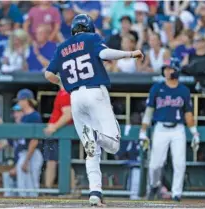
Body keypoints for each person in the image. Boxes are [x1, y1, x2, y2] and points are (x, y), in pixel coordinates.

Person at [44, 14, 143, 206]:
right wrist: (130, 54)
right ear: (89, 28)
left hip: (75, 98)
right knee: (113, 144)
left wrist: (62, 83)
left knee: (91, 151)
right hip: (95, 91)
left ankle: (95, 193)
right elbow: (104, 54)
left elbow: (48, 74)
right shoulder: (91, 39)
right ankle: (96, 137)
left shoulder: (62, 47)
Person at [139, 58, 200, 202]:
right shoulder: (157, 88)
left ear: (176, 70)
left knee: (179, 163)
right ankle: (154, 185)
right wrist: (143, 131)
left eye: (170, 68)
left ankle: (176, 193)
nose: (167, 71)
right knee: (155, 165)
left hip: (178, 129)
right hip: (160, 128)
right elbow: (149, 111)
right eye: (165, 69)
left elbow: (188, 114)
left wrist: (194, 133)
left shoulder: (183, 90)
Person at [43, 85, 76, 193]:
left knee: (64, 162)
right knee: (51, 162)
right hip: (55, 134)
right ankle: (48, 190)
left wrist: (54, 127)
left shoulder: (66, 92)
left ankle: (72, 190)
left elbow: (68, 115)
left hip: (61, 133)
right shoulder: (62, 92)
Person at [14, 88, 43, 197]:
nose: (19, 103)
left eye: (20, 100)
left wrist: (26, 160)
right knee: (22, 187)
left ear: (26, 100)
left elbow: (34, 140)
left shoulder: (34, 116)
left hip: (32, 153)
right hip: (24, 153)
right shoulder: (23, 117)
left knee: (32, 188)